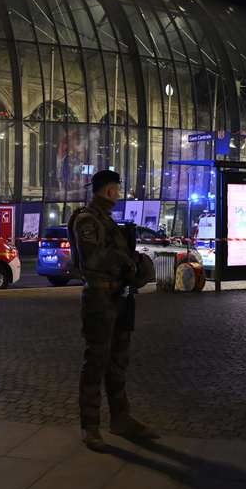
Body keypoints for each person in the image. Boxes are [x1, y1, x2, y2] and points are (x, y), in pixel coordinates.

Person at [67, 169, 157, 451]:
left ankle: (120, 418)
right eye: (117, 190)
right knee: (96, 362)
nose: (118, 194)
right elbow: (92, 258)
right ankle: (90, 426)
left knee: (118, 362)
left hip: (118, 298)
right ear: (109, 191)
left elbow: (124, 257)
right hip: (98, 300)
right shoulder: (86, 220)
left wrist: (138, 265)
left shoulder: (108, 222)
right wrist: (122, 258)